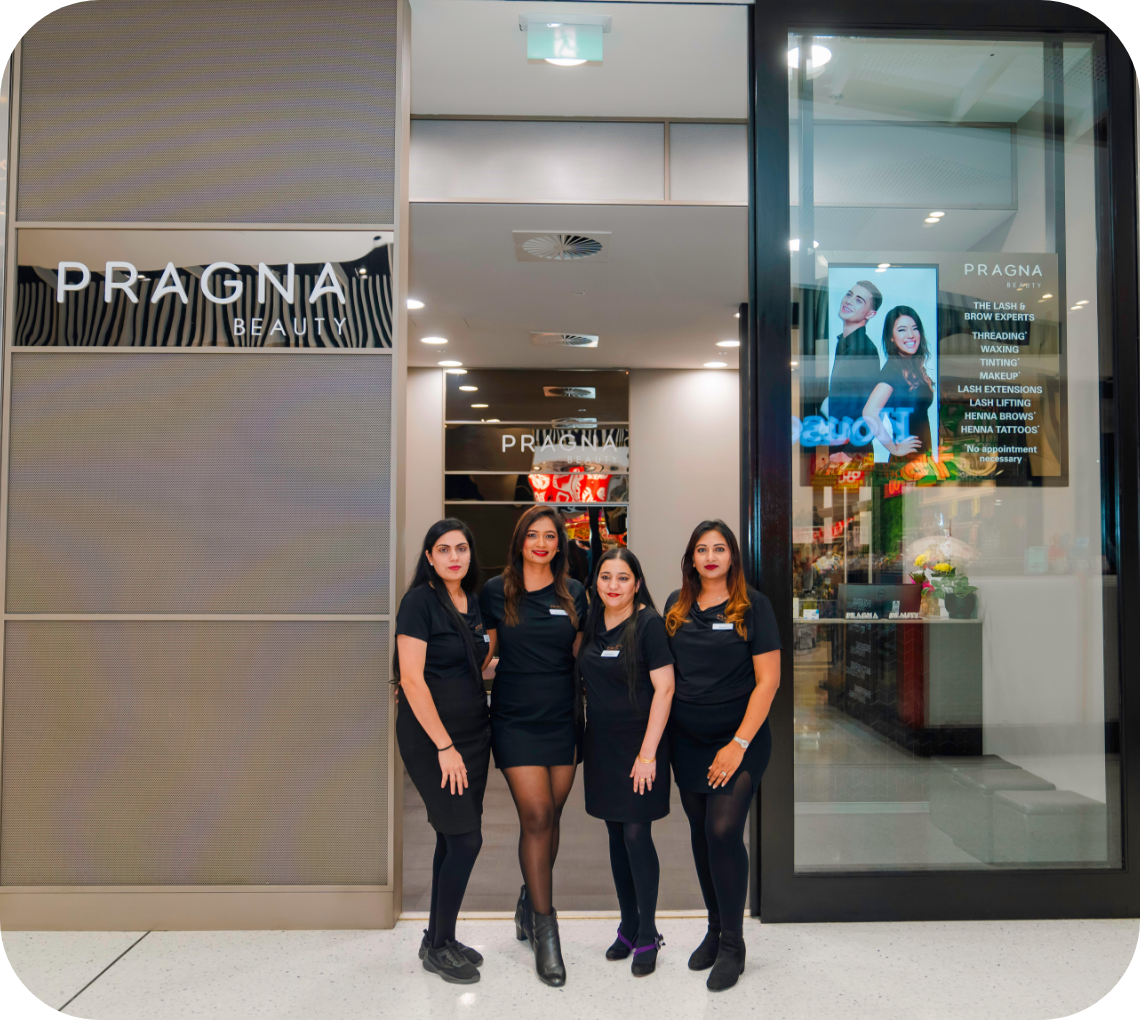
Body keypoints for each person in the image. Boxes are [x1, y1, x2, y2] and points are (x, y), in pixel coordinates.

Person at [664, 520, 781, 992]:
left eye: (719, 548)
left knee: (723, 830)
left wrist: (738, 745)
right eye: (701, 549)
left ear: (732, 555)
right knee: (700, 834)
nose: (710, 557)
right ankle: (714, 929)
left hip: (740, 741)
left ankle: (734, 944)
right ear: (691, 558)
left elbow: (768, 681)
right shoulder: (676, 607)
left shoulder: (754, 606)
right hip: (687, 742)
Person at [479, 507, 589, 987]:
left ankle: (528, 904)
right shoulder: (494, 591)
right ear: (520, 540)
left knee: (552, 818)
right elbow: (484, 653)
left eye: (550, 536)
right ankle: (547, 931)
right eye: (533, 535)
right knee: (538, 815)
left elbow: (581, 655)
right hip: (515, 719)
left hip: (562, 717)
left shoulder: (575, 593)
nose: (541, 544)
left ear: (560, 544)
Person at [394, 519, 492, 985]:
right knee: (466, 840)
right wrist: (445, 746)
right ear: (430, 557)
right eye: (444, 549)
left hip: (474, 734)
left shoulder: (472, 600)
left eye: (462, 548)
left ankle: (439, 936)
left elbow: (474, 662)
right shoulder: (419, 602)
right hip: (435, 740)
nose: (455, 556)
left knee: (450, 838)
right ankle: (438, 948)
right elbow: (412, 680)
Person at [577, 548, 675, 976]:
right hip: (602, 746)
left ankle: (649, 931)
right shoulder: (592, 621)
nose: (613, 585)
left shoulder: (649, 624)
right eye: (605, 577)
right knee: (616, 836)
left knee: (636, 835)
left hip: (641, 746)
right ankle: (629, 925)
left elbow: (665, 689)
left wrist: (648, 753)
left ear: (637, 583)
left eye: (622, 578)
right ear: (595, 583)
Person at [860, 305, 934, 462]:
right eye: (902, 330)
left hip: (922, 460)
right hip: (906, 463)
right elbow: (869, 413)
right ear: (891, 337)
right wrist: (895, 449)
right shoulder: (892, 372)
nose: (910, 335)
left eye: (915, 328)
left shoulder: (913, 368)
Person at [828, 280, 883, 463]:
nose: (849, 301)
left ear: (870, 314)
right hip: (841, 449)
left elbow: (872, 408)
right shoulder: (844, 344)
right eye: (849, 294)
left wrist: (848, 453)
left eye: (859, 300)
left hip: (851, 454)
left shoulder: (864, 349)